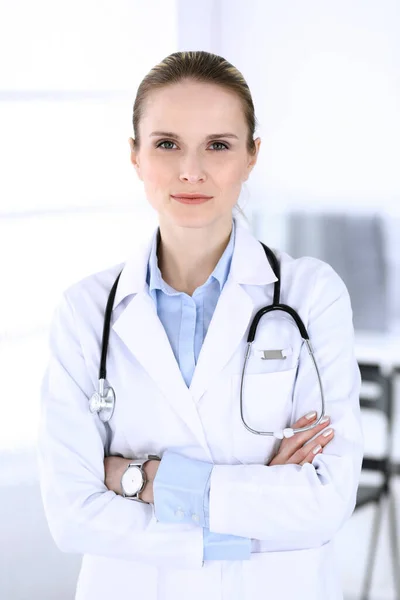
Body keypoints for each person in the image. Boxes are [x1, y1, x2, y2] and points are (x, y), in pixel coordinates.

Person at [37, 50, 364, 600]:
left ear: (252, 156)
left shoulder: (312, 295)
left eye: (218, 145)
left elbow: (325, 502)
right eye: (167, 144)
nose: (191, 170)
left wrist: (138, 480)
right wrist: (244, 520)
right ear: (136, 156)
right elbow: (72, 514)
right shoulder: (84, 310)